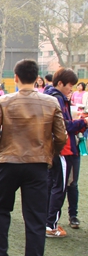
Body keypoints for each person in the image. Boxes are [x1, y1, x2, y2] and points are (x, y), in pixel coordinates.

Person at [0, 59, 66, 256]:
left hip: (9, 162)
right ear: (37, 77)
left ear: (16, 77)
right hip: (38, 164)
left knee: (1, 209)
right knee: (36, 218)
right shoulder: (51, 102)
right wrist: (50, 154)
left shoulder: (4, 100)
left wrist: (1, 151)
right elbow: (61, 136)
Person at [43, 68, 86, 237]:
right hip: (61, 148)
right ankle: (50, 225)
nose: (71, 89)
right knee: (59, 187)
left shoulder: (50, 96)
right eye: (70, 85)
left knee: (51, 185)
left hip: (53, 148)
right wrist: (83, 122)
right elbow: (63, 126)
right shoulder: (57, 98)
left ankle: (46, 221)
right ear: (60, 83)